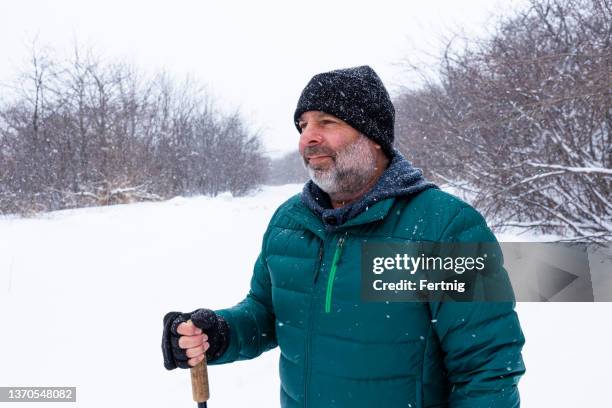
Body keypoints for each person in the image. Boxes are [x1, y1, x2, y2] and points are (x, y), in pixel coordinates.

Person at [162, 65, 526, 408]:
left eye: (327, 122)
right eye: (303, 125)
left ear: (374, 137)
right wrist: (219, 332)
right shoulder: (290, 221)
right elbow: (269, 312)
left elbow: (487, 368)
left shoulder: (441, 226)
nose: (308, 137)